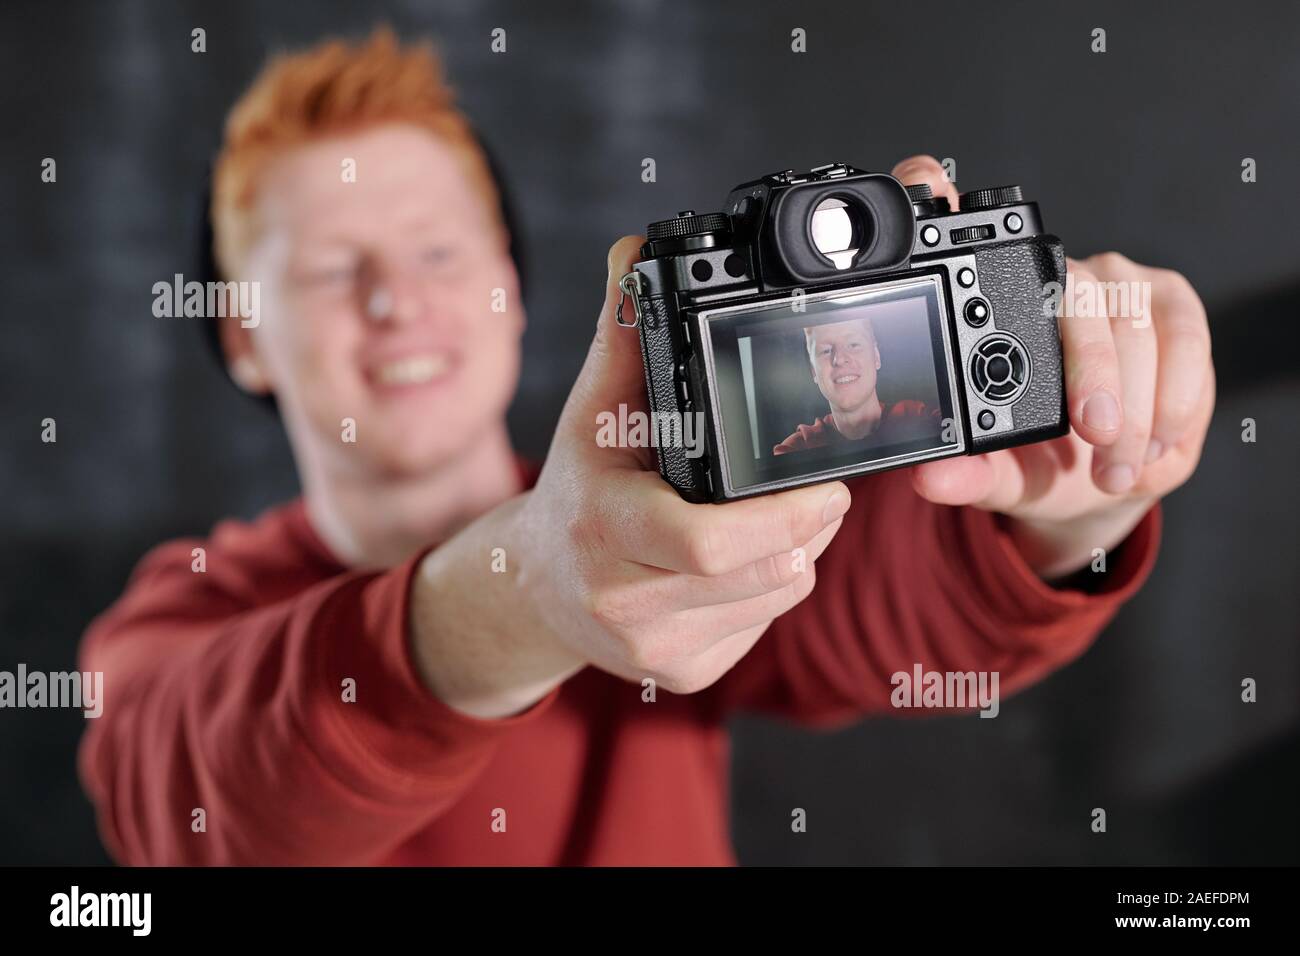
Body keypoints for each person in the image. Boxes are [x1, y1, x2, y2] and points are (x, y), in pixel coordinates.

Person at [78, 29, 1215, 865]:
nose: (396, 305)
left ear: (510, 287)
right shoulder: (174, 620)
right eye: (332, 271)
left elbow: (892, 607)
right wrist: (530, 592)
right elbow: (198, 800)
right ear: (241, 335)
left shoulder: (679, 513)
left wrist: (1081, 500)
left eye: (436, 252)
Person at [774, 315, 939, 455]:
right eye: (825, 351)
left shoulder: (925, 420)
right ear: (814, 372)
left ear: (876, 357)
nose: (839, 359)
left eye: (853, 345)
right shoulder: (795, 449)